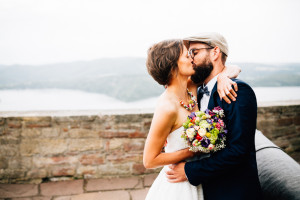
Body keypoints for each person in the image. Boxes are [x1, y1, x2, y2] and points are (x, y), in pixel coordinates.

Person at [165, 32, 263, 200]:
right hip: (202, 189)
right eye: (188, 54)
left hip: (231, 191)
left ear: (215, 52)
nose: (190, 59)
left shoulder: (237, 91)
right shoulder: (193, 91)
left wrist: (189, 171)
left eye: (194, 52)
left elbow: (238, 151)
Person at [143, 38, 240, 200]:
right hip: (177, 182)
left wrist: (222, 78)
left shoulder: (191, 85)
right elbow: (149, 160)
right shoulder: (167, 107)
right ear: (174, 64)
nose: (191, 58)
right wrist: (194, 149)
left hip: (197, 177)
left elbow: (233, 68)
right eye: (186, 55)